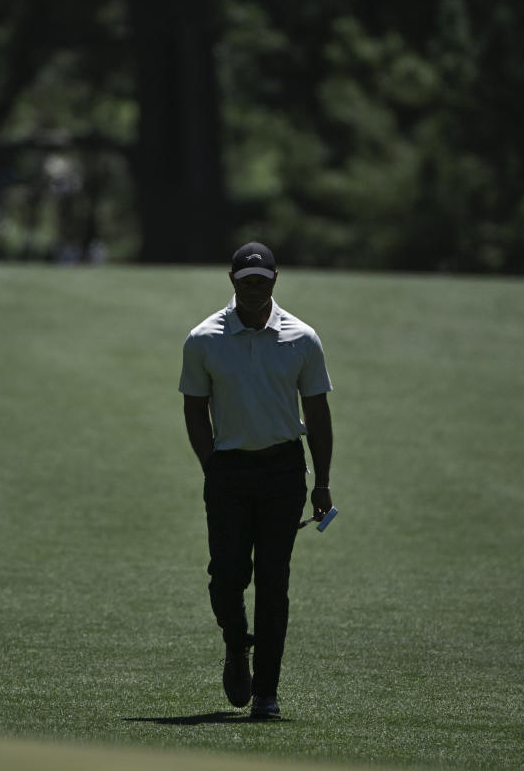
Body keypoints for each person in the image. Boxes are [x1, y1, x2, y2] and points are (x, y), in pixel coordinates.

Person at [178, 242, 333, 719]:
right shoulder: (203, 339)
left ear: (274, 281)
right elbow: (194, 407)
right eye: (245, 282)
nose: (253, 290)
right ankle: (235, 644)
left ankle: (267, 692)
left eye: (261, 282)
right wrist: (212, 466)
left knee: (273, 580)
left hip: (283, 470)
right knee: (226, 575)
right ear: (231, 281)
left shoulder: (301, 338)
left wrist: (322, 483)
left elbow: (318, 413)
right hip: (229, 469)